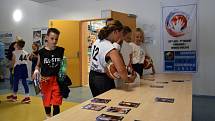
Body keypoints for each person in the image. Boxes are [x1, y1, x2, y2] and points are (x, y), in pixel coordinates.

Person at [89, 20, 136, 97]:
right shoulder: (110, 48)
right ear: (116, 32)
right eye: (120, 34)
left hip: (92, 77)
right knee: (109, 104)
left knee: (98, 103)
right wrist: (130, 79)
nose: (120, 37)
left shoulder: (97, 41)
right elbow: (121, 70)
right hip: (103, 80)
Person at [32, 28, 65, 118]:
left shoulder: (61, 50)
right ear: (46, 37)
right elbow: (38, 65)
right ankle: (48, 117)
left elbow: (63, 64)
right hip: (45, 80)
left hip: (57, 80)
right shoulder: (41, 52)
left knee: (56, 103)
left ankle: (56, 119)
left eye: (56, 39)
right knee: (46, 103)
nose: (54, 41)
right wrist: (35, 71)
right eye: (52, 38)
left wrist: (63, 72)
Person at [6, 38, 31, 103]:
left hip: (18, 68)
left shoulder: (14, 52)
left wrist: (9, 66)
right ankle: (27, 97)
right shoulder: (26, 52)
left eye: (16, 44)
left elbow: (13, 62)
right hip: (24, 67)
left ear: (18, 46)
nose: (15, 45)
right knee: (24, 82)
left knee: (15, 82)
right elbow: (26, 59)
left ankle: (14, 96)